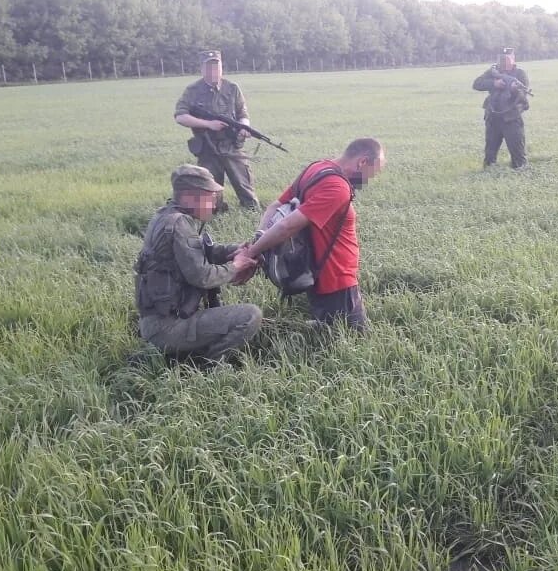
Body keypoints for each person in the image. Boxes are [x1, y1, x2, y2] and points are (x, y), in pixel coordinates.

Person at [242, 138, 386, 332]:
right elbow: (286, 226)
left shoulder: (317, 168)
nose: (369, 180)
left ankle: (306, 326)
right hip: (336, 278)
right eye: (372, 173)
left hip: (315, 269)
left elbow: (275, 206)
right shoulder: (337, 187)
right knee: (356, 337)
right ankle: (274, 329)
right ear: (362, 162)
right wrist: (253, 252)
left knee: (329, 324)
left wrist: (259, 237)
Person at [134, 164, 262, 362]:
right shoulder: (179, 224)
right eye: (210, 198)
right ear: (190, 197)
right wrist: (236, 266)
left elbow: (197, 250)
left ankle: (189, 351)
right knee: (251, 315)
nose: (213, 205)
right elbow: (202, 276)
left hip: (156, 323)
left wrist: (233, 250)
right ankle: (211, 363)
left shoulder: (166, 215)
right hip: (168, 328)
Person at [174, 50, 261, 210]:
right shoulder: (193, 90)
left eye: (216, 66)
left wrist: (244, 127)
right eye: (209, 67)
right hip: (207, 148)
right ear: (202, 68)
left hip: (232, 146)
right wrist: (208, 124)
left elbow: (243, 114)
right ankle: (216, 216)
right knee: (209, 193)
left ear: (221, 67)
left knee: (245, 188)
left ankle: (252, 216)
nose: (213, 71)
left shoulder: (232, 88)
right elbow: (180, 116)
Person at [472, 47, 530, 169]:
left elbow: (523, 96)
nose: (504, 62)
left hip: (511, 118)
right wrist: (494, 84)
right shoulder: (492, 72)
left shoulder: (520, 74)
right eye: (502, 59)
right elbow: (477, 84)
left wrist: (514, 90)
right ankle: (489, 172)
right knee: (489, 155)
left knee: (518, 158)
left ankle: (519, 173)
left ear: (513, 59)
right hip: (493, 117)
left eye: (507, 59)